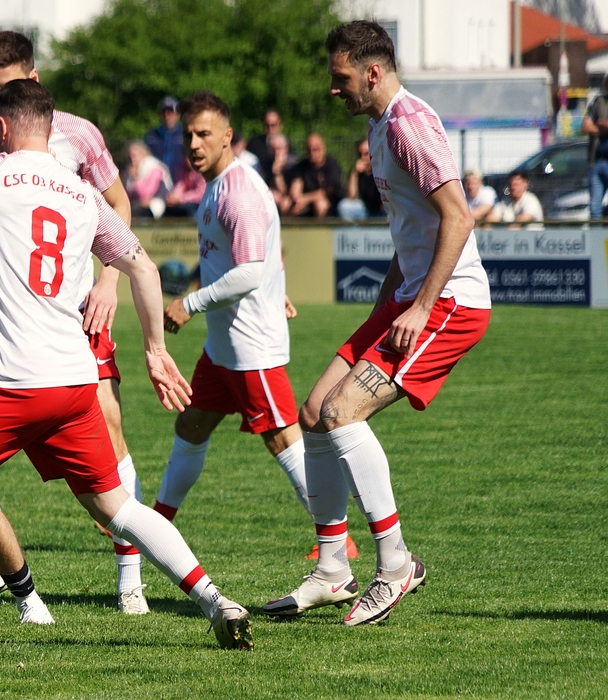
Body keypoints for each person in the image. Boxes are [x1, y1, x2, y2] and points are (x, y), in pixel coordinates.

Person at [0, 78, 252, 657]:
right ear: (50, 129)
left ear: (1, 127)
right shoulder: (83, 194)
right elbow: (144, 270)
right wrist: (154, 349)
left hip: (12, 383)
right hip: (75, 384)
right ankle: (216, 600)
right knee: (118, 508)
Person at [264, 20, 490, 625]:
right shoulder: (380, 126)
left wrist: (421, 306)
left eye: (340, 77)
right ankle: (332, 570)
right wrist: (387, 306)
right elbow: (412, 231)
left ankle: (395, 565)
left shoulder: (409, 125)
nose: (332, 88)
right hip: (408, 297)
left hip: (451, 302)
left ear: (371, 72)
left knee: (343, 413)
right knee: (313, 412)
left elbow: (458, 218)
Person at [0, 30, 152, 617]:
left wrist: (108, 280)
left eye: (7, 87)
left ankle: (129, 576)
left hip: (74, 310)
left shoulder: (79, 135)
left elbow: (118, 206)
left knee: (108, 425)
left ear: (33, 78)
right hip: (3, 317)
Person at [157, 90, 356, 561]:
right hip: (222, 345)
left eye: (204, 134)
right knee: (191, 426)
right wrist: (274, 285)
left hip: (250, 347)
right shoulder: (217, 184)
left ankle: (339, 540)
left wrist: (190, 303)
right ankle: (154, 527)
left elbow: (248, 272)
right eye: (188, 135)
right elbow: (261, 257)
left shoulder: (239, 193)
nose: (194, 143)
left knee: (283, 438)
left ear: (227, 136)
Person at [281, 133, 343, 218]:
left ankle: (321, 226)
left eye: (315, 149)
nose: (312, 153)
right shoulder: (301, 166)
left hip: (328, 202)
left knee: (320, 204)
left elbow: (327, 192)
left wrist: (305, 199)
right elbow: (295, 187)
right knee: (285, 203)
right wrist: (297, 200)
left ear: (323, 149)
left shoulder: (331, 165)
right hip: (304, 202)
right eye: (309, 149)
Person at [582, 74, 608, 221]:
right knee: (594, 208)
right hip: (597, 161)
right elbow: (585, 126)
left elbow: (600, 123)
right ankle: (596, 234)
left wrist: (601, 124)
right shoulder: (599, 102)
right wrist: (602, 127)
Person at [338, 138, 384, 221]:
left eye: (366, 154)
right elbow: (351, 196)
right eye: (360, 154)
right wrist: (354, 173)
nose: (363, 157)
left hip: (383, 208)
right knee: (344, 206)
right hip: (366, 209)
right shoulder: (357, 172)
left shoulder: (382, 168)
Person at [145, 96, 185, 183]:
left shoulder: (184, 134)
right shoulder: (152, 135)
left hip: (180, 183)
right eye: (164, 112)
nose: (167, 116)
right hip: (157, 183)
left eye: (170, 112)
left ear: (177, 114)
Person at [126, 141, 172, 218]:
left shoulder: (154, 168)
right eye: (129, 156)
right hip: (140, 203)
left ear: (143, 153)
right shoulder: (131, 170)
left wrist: (135, 178)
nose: (132, 159)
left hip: (158, 203)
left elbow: (146, 194)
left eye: (134, 156)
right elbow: (129, 194)